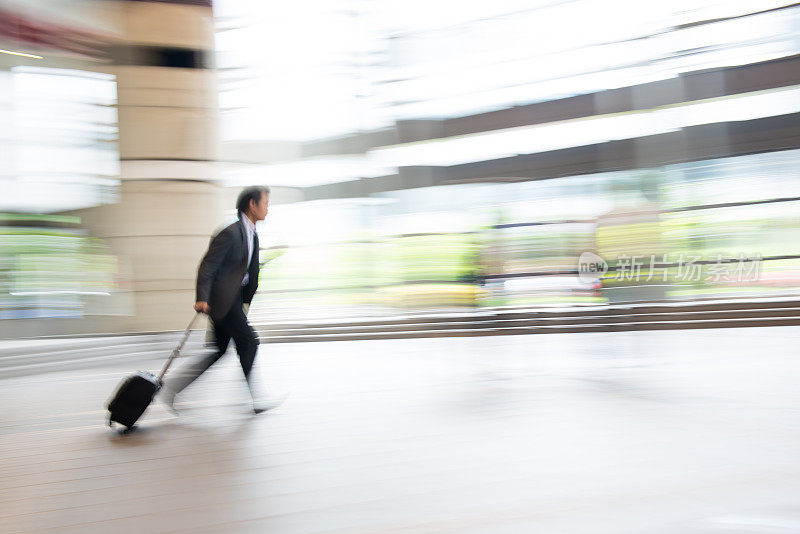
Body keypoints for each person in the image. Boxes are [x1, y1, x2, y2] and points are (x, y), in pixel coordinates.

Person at [162, 186, 273, 414]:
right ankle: (256, 398)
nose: (267, 209)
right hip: (222, 302)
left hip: (233, 301)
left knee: (220, 351)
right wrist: (202, 297)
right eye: (266, 204)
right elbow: (208, 266)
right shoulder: (230, 232)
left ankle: (172, 389)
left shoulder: (251, 232)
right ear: (252, 204)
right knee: (249, 342)